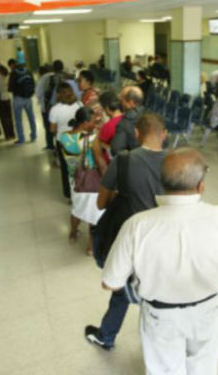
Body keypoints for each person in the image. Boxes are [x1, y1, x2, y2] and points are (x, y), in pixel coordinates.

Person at [102, 147, 218, 375]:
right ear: (201, 186)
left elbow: (111, 283)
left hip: (161, 316)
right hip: (210, 309)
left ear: (162, 184)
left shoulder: (137, 225)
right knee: (203, 366)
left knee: (165, 370)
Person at [85, 113, 168, 351]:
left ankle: (106, 336)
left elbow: (101, 203)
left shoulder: (123, 161)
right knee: (159, 287)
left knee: (122, 285)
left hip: (132, 235)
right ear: (164, 134)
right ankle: (157, 345)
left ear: (136, 134)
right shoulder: (176, 161)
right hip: (166, 235)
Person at [59, 107, 104, 255]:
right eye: (92, 121)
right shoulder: (91, 139)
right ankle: (90, 247)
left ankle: (73, 233)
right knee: (93, 215)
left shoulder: (63, 137)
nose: (94, 123)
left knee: (77, 209)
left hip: (75, 180)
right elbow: (100, 163)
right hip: (90, 182)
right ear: (85, 123)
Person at [92, 91, 124, 174]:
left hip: (109, 165)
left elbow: (99, 145)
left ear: (107, 109)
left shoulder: (109, 126)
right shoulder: (126, 119)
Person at [110, 86, 145, 156]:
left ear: (131, 103)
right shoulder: (152, 115)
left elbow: (116, 150)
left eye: (122, 100)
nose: (120, 103)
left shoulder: (126, 122)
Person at [8, 62, 37, 145]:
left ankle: (22, 139)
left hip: (18, 98)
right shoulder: (29, 71)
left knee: (18, 120)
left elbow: (10, 88)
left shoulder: (13, 73)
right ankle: (33, 136)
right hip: (28, 98)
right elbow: (33, 84)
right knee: (31, 117)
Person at [43, 61, 67, 150]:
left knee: (56, 129)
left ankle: (57, 147)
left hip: (56, 105)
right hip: (68, 103)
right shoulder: (68, 76)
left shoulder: (52, 78)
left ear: (53, 68)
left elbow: (48, 93)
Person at [0, 63, 15, 140]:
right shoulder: (8, 77)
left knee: (3, 118)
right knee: (9, 117)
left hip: (1, 100)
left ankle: (8, 136)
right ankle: (12, 134)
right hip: (8, 98)